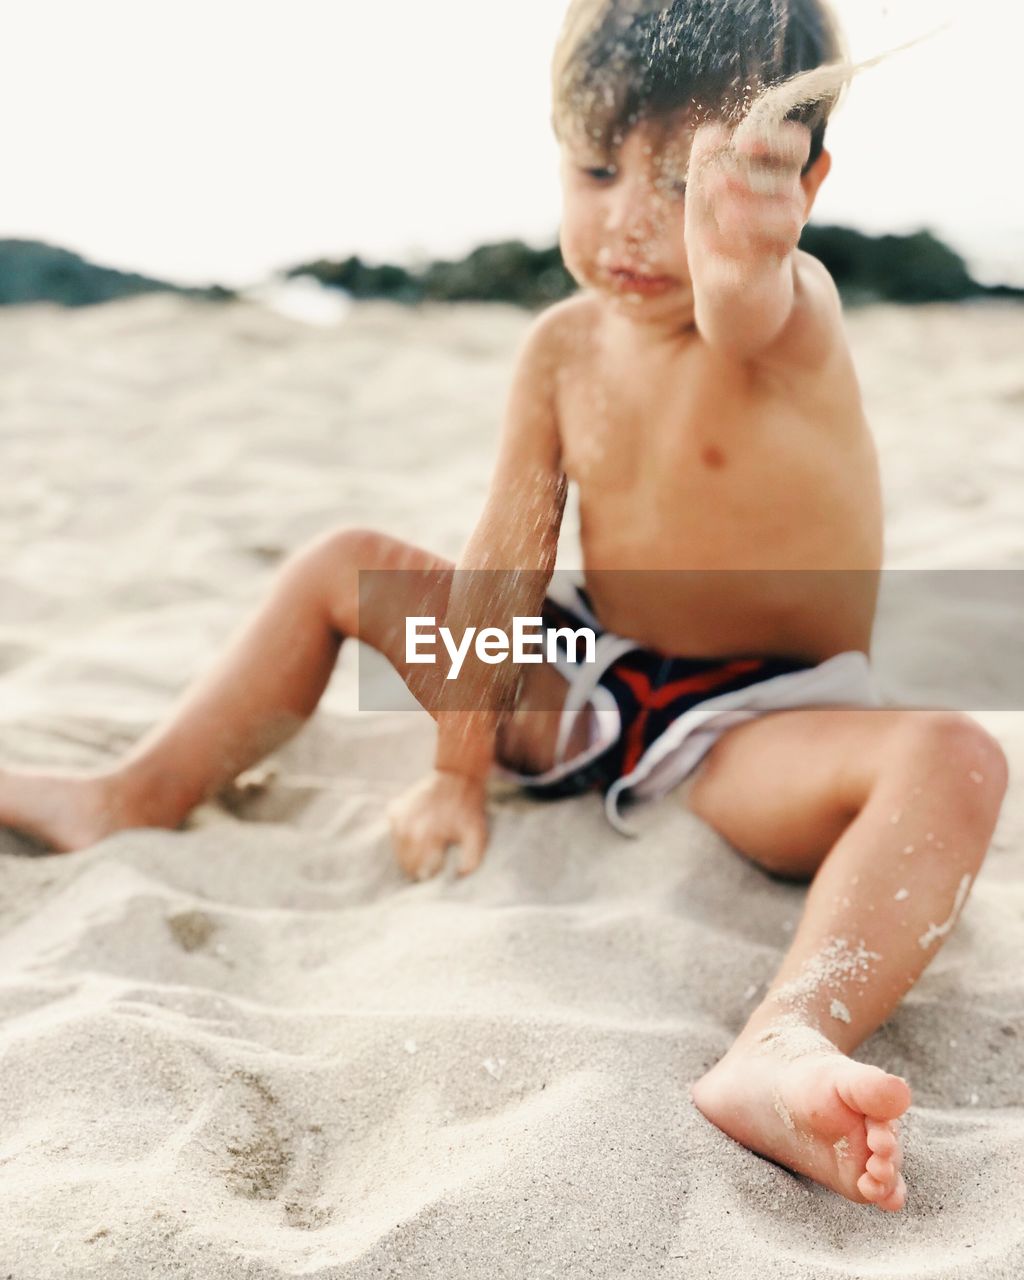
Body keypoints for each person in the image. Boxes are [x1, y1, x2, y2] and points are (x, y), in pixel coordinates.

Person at [0, 0, 1007, 1212]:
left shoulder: (789, 315)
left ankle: (783, 1037)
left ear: (800, 188)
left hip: (755, 726)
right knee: (341, 564)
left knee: (951, 752)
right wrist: (456, 771)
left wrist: (739, 242)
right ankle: (133, 793)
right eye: (595, 166)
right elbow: (508, 561)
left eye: (690, 179)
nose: (633, 216)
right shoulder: (561, 347)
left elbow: (742, 293)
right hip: (581, 677)